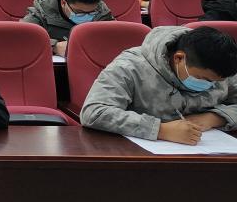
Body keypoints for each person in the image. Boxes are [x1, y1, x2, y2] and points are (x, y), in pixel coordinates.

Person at [80, 26, 237, 144]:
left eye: (216, 82)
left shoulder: (222, 67)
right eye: (203, 79)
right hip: (140, 154)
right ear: (179, 58)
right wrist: (160, 130)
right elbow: (94, 112)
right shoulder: (130, 67)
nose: (210, 85)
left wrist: (215, 118)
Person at [21, 0, 113, 56]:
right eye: (79, 12)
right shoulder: (40, 13)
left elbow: (115, 38)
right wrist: (54, 46)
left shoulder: (101, 11)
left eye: (92, 12)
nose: (86, 16)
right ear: (63, 3)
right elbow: (23, 38)